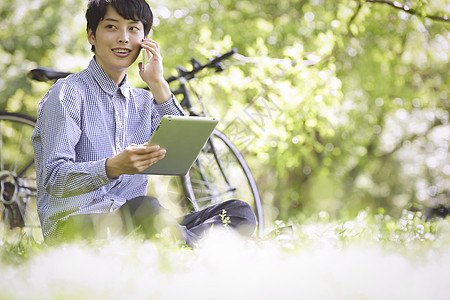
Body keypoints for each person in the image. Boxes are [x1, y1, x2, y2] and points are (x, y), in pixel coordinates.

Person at [31, 0, 256, 246]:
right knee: (146, 207)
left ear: (145, 40)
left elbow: (182, 152)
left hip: (135, 221)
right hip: (74, 227)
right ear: (91, 36)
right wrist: (112, 167)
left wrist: (158, 84)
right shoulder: (67, 93)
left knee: (238, 211)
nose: (123, 38)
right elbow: (53, 177)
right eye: (112, 27)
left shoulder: (144, 101)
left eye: (133, 29)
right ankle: (201, 248)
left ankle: (185, 242)